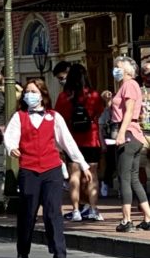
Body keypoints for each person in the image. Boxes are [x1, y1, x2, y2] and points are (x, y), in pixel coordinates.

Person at [4, 77, 89, 258]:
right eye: (27, 92)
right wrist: (12, 148)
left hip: (52, 170)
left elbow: (68, 142)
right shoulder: (19, 117)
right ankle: (23, 250)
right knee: (28, 212)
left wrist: (83, 164)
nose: (29, 95)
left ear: (42, 95)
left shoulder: (54, 117)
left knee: (53, 212)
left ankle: (60, 255)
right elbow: (10, 137)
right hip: (29, 169)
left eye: (33, 92)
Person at [54, 63, 104, 222]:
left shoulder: (64, 97)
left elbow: (58, 117)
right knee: (92, 175)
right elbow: (99, 113)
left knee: (74, 175)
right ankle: (93, 209)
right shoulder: (94, 95)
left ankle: (76, 210)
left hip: (72, 141)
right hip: (91, 139)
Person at [109, 56, 150, 232]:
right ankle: (148, 217)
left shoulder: (129, 85)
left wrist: (121, 133)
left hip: (128, 135)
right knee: (133, 178)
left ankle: (127, 220)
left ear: (127, 70)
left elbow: (129, 111)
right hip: (132, 134)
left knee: (124, 178)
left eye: (118, 67)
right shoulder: (125, 86)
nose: (115, 70)